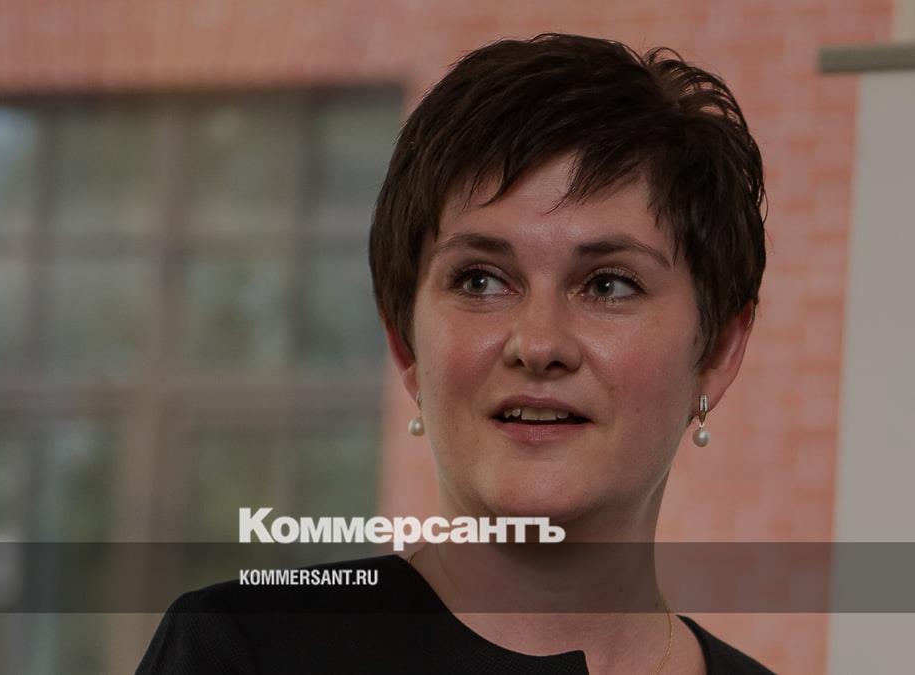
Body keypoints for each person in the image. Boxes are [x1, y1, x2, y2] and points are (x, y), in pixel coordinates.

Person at [138, 33, 772, 674]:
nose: (538, 345)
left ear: (717, 352)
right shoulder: (240, 650)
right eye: (481, 281)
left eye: (609, 285)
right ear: (404, 343)